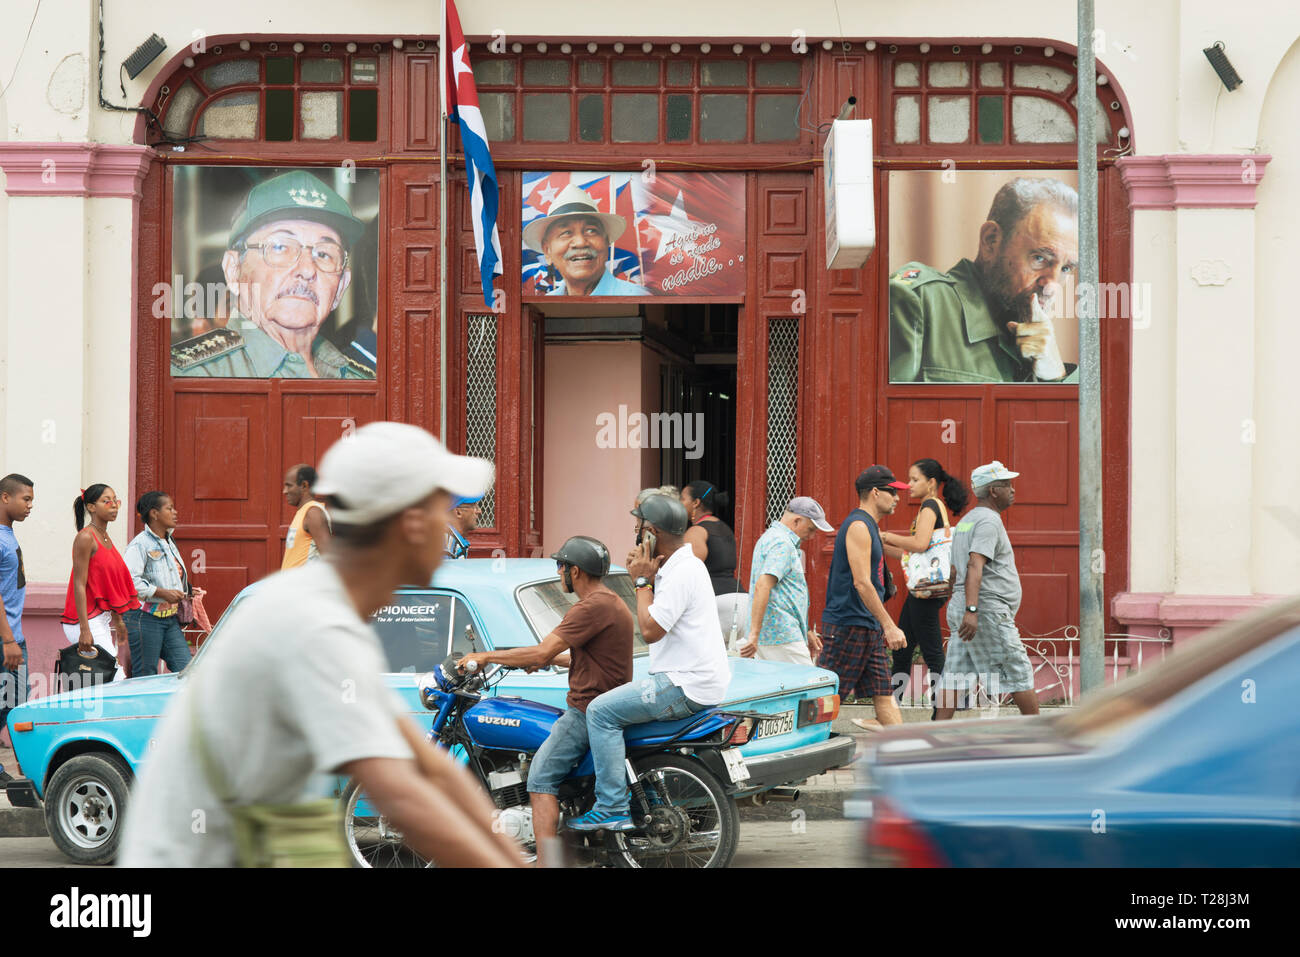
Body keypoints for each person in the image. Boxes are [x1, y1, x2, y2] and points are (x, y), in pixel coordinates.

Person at [120, 422, 523, 867]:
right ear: (410, 524)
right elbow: (405, 794)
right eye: (441, 512)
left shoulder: (333, 611)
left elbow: (427, 767)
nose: (453, 526)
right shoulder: (315, 621)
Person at [457, 536, 632, 865]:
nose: (558, 571)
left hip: (585, 709)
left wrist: (484, 656)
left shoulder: (589, 607)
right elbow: (587, 658)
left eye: (561, 566)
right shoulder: (611, 601)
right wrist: (545, 660)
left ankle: (547, 862)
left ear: (575, 571)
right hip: (605, 699)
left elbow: (541, 649)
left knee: (539, 778)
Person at [571, 493, 730, 831]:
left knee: (600, 712)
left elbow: (650, 629)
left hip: (682, 684)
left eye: (638, 527)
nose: (635, 534)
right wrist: (649, 577)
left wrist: (642, 582)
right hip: (695, 680)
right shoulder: (681, 566)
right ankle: (637, 794)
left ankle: (611, 806)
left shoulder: (681, 572)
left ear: (652, 533)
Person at [171, 170, 376, 379]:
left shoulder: (360, 380)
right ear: (233, 270)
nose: (307, 270)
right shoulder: (190, 377)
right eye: (280, 247)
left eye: (323, 254)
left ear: (342, 285)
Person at [889, 176, 1079, 383]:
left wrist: (1055, 377)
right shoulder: (919, 302)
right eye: (1040, 259)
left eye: (1066, 268)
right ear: (991, 240)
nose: (1052, 287)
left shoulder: (1042, 346)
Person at [935, 461, 1040, 720]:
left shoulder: (966, 522)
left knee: (955, 674)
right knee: (1017, 669)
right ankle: (1042, 734)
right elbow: (974, 564)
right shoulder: (988, 522)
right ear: (993, 491)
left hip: (965, 606)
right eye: (1007, 485)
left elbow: (953, 572)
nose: (1013, 489)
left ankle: (937, 734)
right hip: (985, 611)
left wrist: (957, 605)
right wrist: (971, 610)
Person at [818, 466, 909, 727]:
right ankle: (797, 751)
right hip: (848, 625)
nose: (897, 498)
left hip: (866, 626)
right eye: (892, 492)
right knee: (824, 700)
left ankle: (905, 755)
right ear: (875, 492)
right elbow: (862, 583)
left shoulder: (869, 526)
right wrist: (889, 625)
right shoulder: (858, 526)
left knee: (884, 695)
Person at [880, 458, 970, 709]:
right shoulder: (929, 507)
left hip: (926, 591)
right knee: (902, 647)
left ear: (931, 483)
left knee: (930, 650)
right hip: (923, 589)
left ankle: (948, 706)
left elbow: (918, 544)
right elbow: (915, 555)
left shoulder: (930, 505)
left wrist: (885, 535)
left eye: (914, 480)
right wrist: (881, 546)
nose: (909, 485)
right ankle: (892, 704)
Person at [738, 496, 833, 665]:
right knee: (810, 686)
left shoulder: (772, 538)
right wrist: (754, 634)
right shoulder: (782, 544)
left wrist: (807, 630)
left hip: (775, 634)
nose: (811, 536)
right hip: (782, 634)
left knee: (778, 688)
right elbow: (763, 585)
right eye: (811, 529)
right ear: (797, 520)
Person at [59, 485, 140, 679]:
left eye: (115, 500)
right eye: (107, 501)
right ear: (91, 507)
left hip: (99, 618)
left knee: (101, 681)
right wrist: (84, 630)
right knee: (115, 678)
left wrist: (118, 620)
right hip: (83, 620)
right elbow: (79, 584)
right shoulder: (86, 537)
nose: (114, 506)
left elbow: (105, 586)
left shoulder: (105, 536)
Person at [123, 491, 199, 677]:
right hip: (144, 618)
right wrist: (162, 593)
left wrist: (186, 589)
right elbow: (129, 583)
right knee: (145, 676)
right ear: (154, 514)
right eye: (169, 508)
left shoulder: (168, 540)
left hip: (169, 619)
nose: (175, 512)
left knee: (188, 671)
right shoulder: (139, 545)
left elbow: (170, 573)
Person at [523, 184, 645, 296]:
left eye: (591, 231)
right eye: (566, 233)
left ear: (606, 242)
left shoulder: (638, 297)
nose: (581, 242)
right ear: (547, 251)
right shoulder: (547, 304)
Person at [681, 481, 747, 649]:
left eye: (682, 499)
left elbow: (689, 570)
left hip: (718, 602)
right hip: (741, 601)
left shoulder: (696, 531)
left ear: (696, 503)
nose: (680, 504)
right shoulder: (725, 528)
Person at [0, 474, 34, 788]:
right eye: (25, 499)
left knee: (16, 702)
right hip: (5, 638)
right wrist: (8, 639)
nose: (29, 506)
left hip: (14, 636)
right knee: (10, 702)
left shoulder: (8, 534)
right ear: (4, 498)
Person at [282, 463, 331, 569]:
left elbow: (328, 557)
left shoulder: (313, 512)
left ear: (304, 485)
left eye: (289, 485)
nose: (284, 491)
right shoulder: (304, 511)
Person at [444, 494, 482, 560]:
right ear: (458, 512)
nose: (479, 511)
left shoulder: (451, 541)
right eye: (474, 507)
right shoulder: (447, 545)